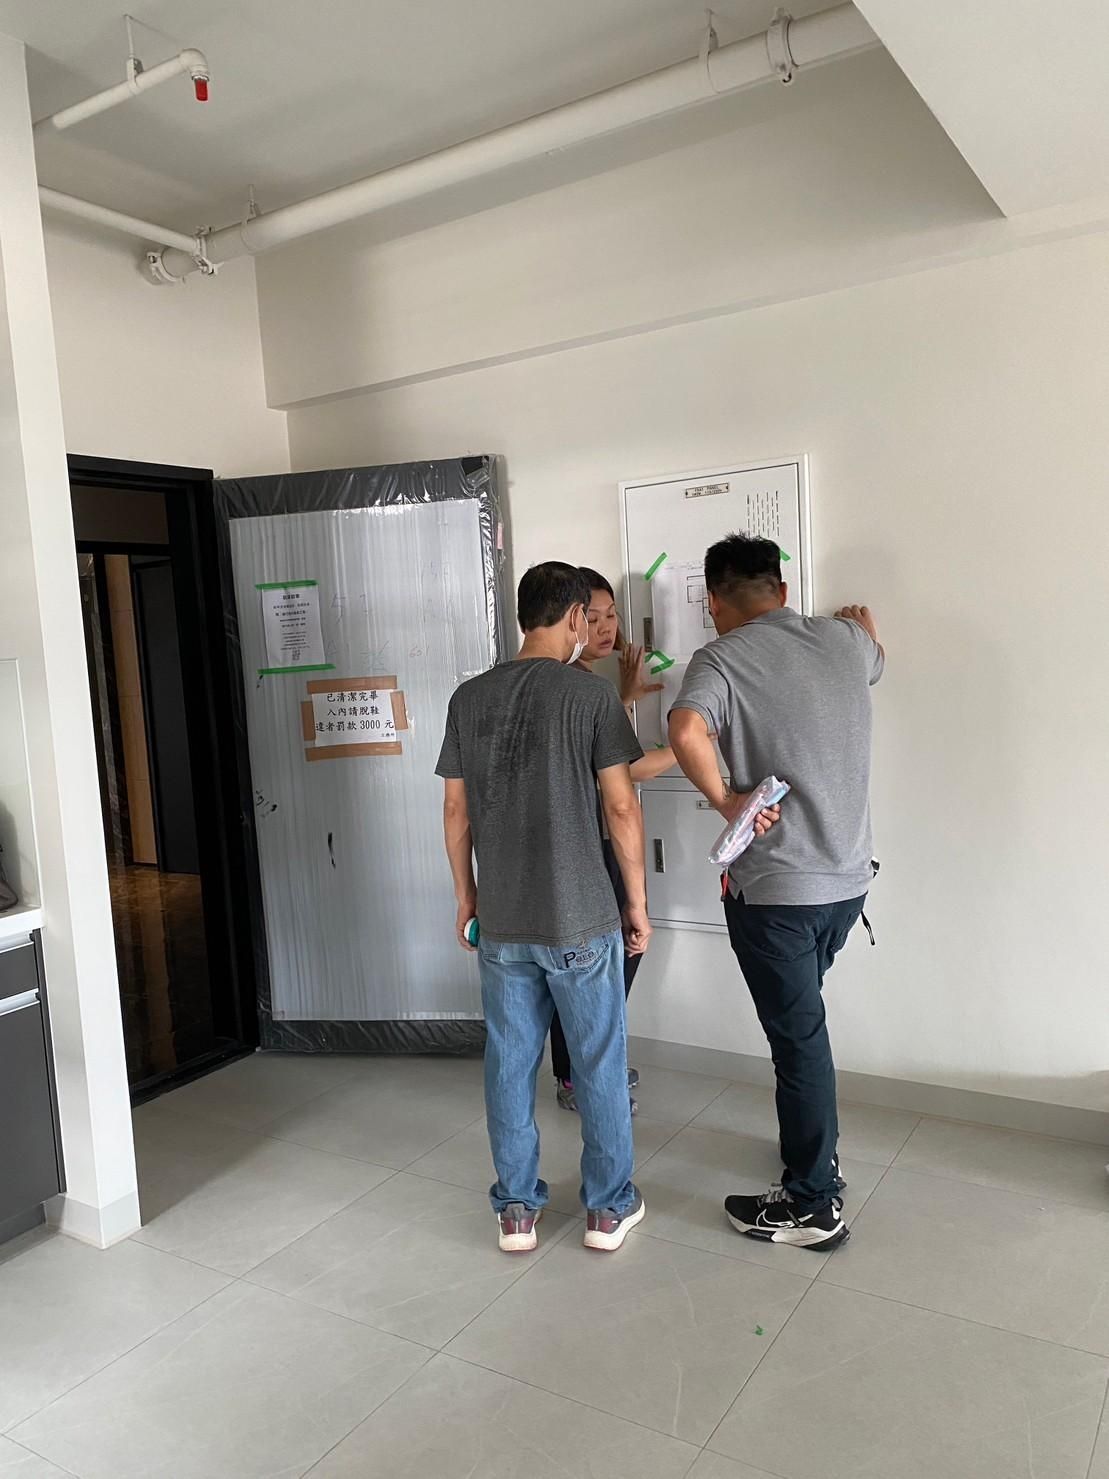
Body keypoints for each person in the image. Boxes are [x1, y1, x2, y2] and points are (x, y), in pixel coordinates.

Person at [669, 533, 883, 1252]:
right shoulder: (845, 642)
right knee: (803, 1029)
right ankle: (815, 1154)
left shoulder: (720, 658)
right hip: (848, 885)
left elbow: (684, 726)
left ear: (713, 601)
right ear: (783, 591)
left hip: (777, 892)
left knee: (797, 1041)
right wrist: (862, 626)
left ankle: (812, 1203)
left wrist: (728, 799)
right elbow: (874, 651)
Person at [436, 561, 651, 1254]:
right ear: (570, 620)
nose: (589, 631)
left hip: (502, 921)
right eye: (587, 620)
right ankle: (607, 1209)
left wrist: (467, 897)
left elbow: (454, 808)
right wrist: (636, 904)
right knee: (597, 1062)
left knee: (508, 1063)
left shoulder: (468, 698)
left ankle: (517, 1212)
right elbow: (620, 806)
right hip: (582, 919)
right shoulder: (585, 698)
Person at [548, 566, 677, 1115]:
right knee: (598, 964)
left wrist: (624, 695)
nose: (605, 628)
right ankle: (579, 1077)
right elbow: (627, 776)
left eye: (612, 615)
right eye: (593, 616)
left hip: (596, 843)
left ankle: (585, 1067)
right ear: (572, 617)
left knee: (605, 962)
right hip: (589, 846)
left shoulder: (593, 684)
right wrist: (697, 744)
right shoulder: (571, 685)